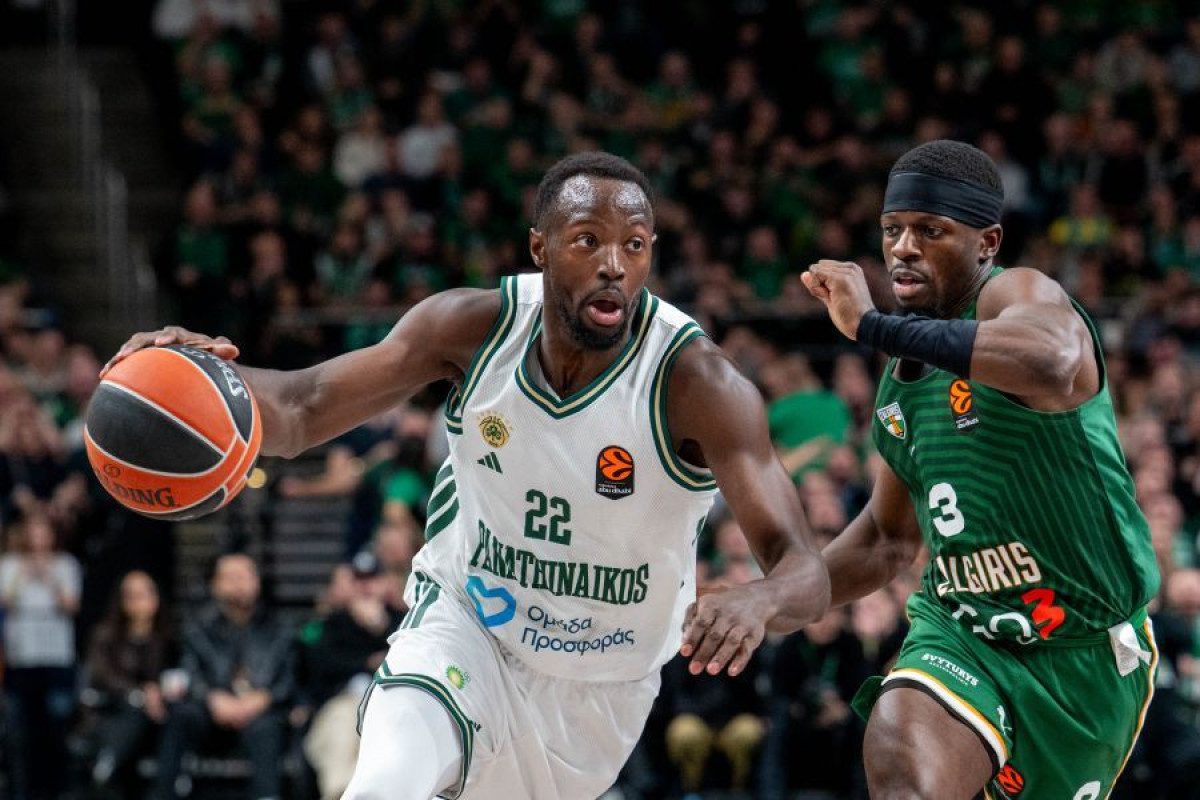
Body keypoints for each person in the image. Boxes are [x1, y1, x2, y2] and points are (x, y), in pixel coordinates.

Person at [105, 151, 831, 799]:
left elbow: (806, 569)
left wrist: (760, 599)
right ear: (540, 249)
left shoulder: (699, 383)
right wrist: (200, 381)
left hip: (599, 690)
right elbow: (301, 408)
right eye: (589, 240)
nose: (614, 264)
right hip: (465, 623)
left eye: (634, 245)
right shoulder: (469, 328)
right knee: (383, 783)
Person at [802, 139, 1160, 799]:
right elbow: (884, 541)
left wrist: (873, 326)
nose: (903, 247)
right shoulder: (903, 384)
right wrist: (768, 598)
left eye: (929, 230)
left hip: (1082, 654)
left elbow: (1051, 360)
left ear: (987, 242)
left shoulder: (1015, 293)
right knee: (903, 771)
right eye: (892, 230)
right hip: (962, 630)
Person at [149, 552, 295, 800]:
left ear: (257, 582)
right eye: (230, 577)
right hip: (210, 713)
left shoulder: (280, 629)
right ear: (214, 585)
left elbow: (290, 678)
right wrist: (212, 698)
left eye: (244, 576)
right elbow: (190, 674)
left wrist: (264, 698)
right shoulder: (197, 629)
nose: (238, 584)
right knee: (181, 715)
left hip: (261, 713)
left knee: (268, 727)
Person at [0, 513, 81, 800]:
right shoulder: (10, 564)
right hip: (21, 656)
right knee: (21, 729)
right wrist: (24, 572)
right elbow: (6, 601)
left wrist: (49, 576)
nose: (38, 538)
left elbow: (71, 605)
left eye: (43, 532)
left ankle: (56, 788)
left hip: (56, 655)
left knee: (55, 725)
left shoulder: (66, 564)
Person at [85, 570, 177, 792]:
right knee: (134, 710)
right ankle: (109, 764)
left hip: (160, 712)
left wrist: (158, 693)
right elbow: (103, 676)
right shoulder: (105, 636)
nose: (139, 602)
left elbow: (174, 675)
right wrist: (141, 694)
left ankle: (112, 763)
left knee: (180, 715)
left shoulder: (168, 637)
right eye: (132, 596)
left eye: (144, 594)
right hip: (116, 709)